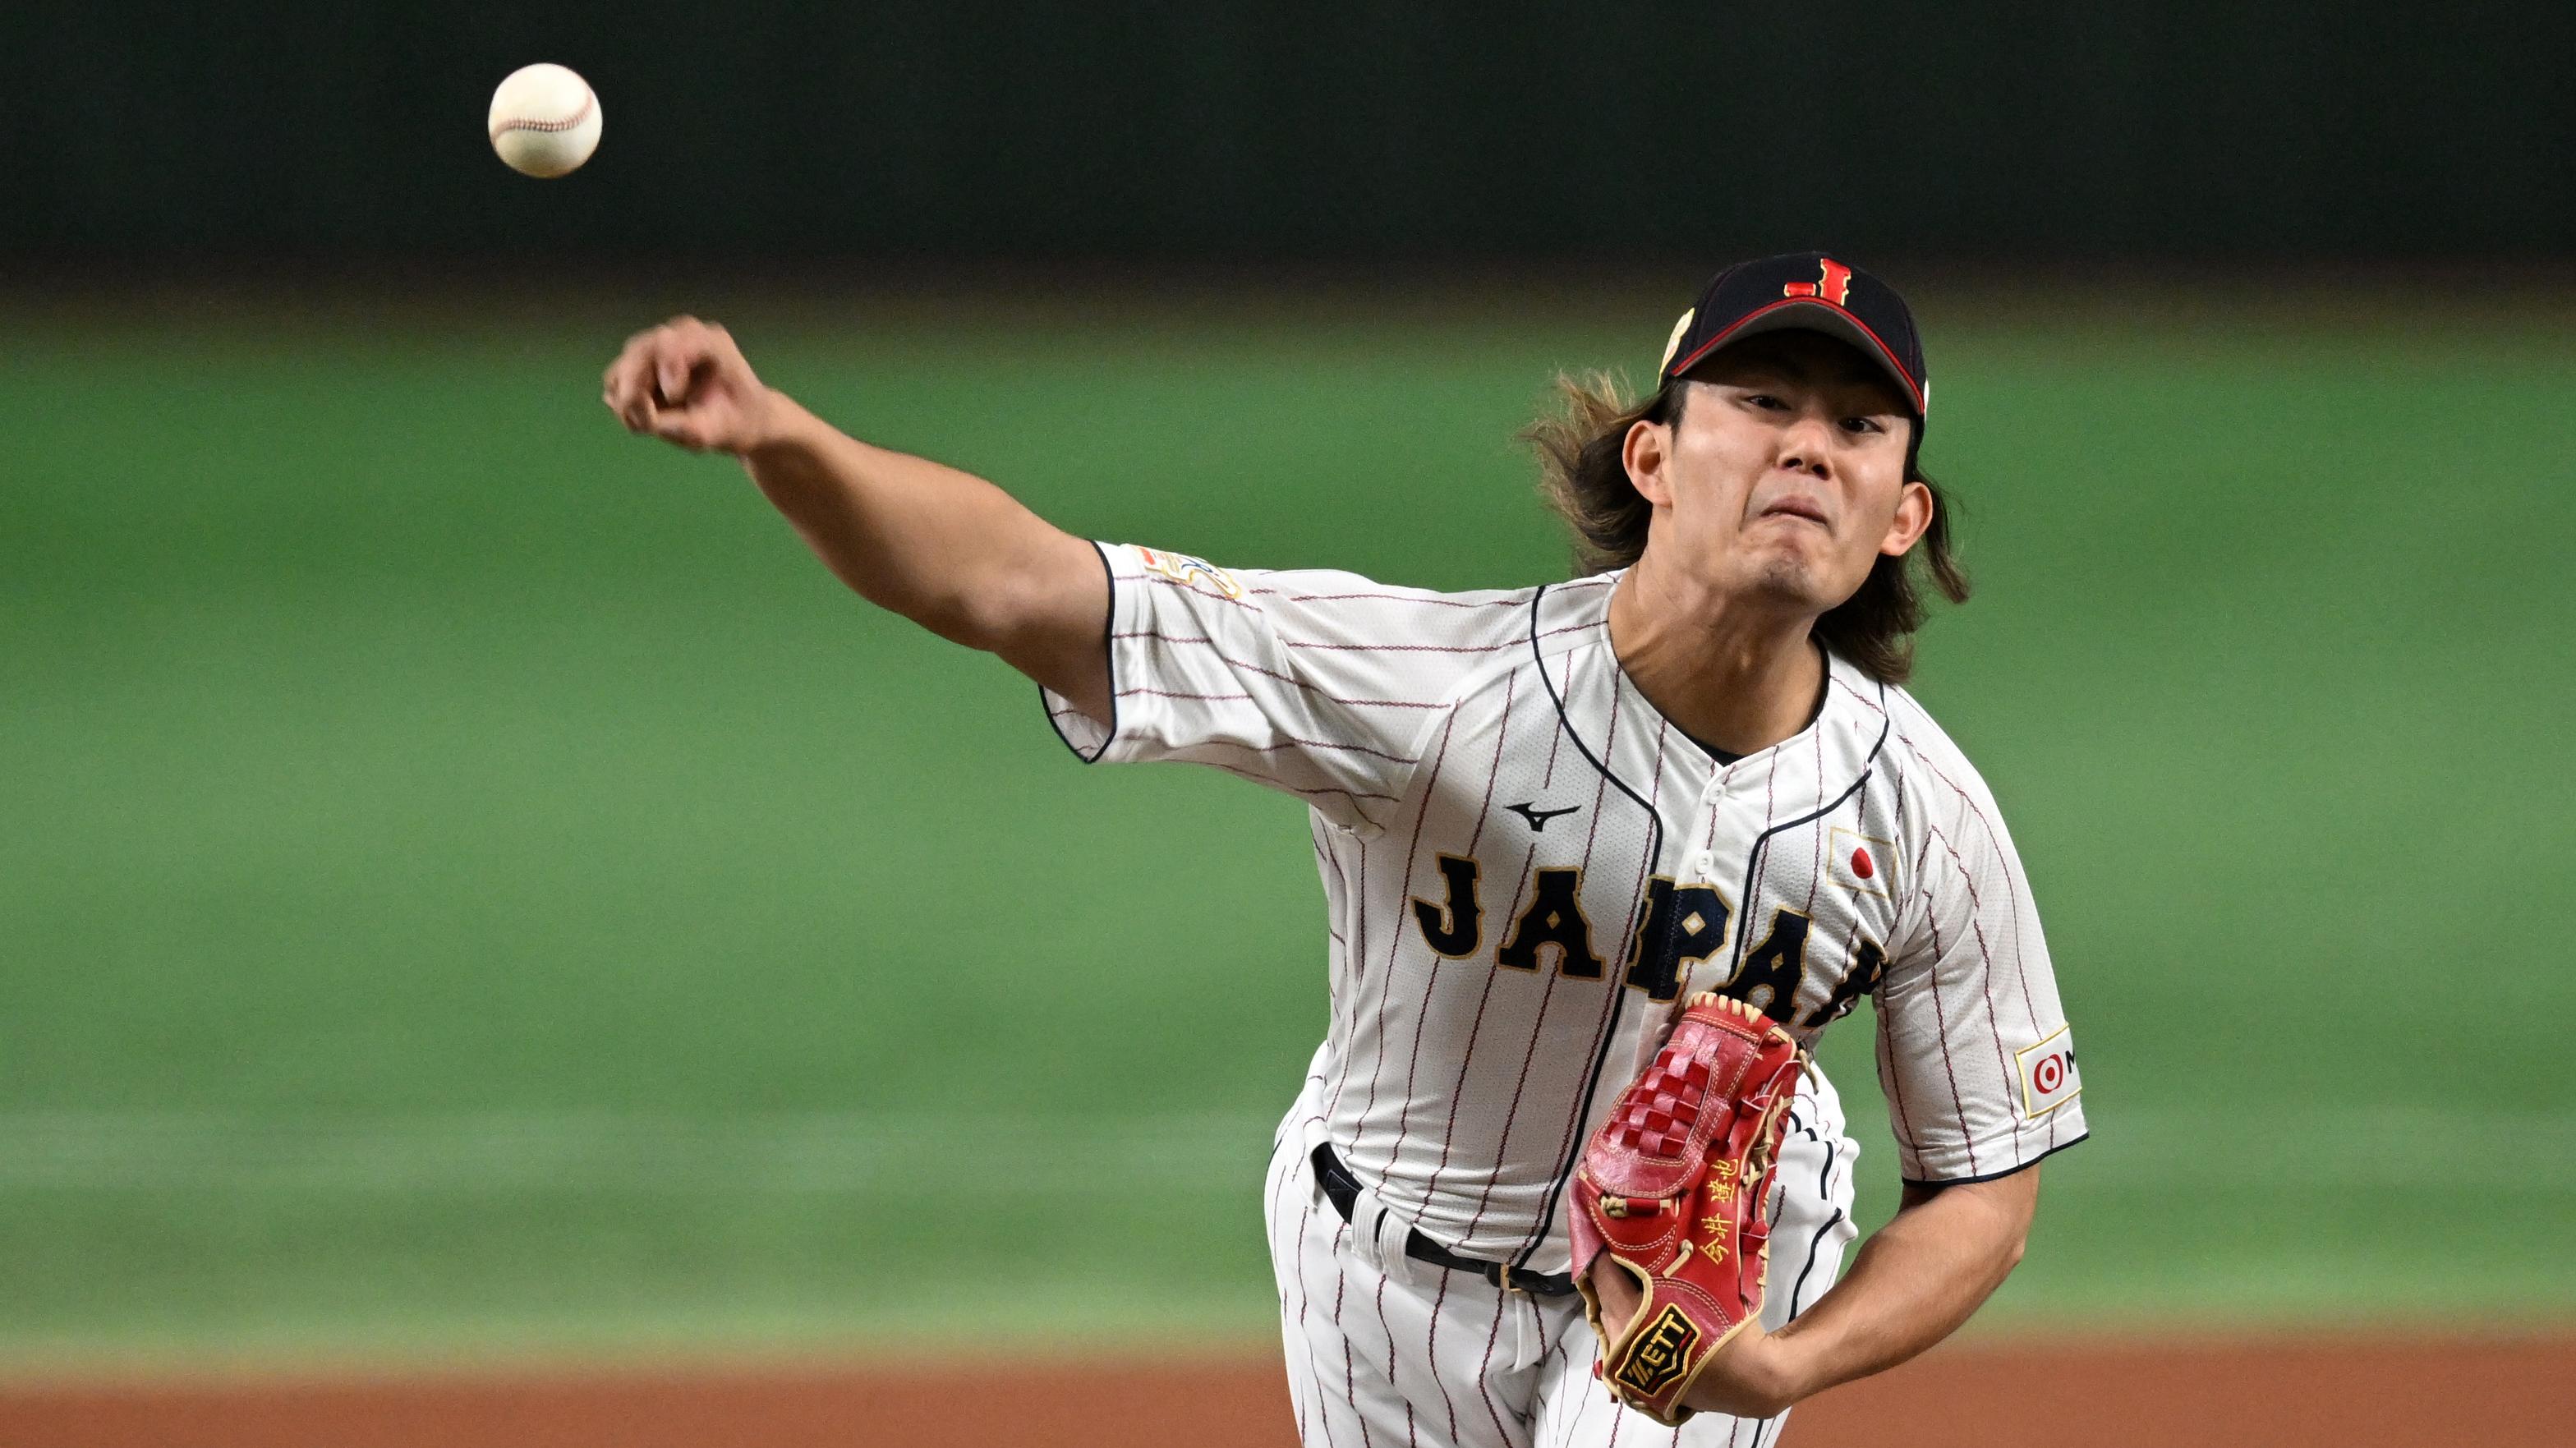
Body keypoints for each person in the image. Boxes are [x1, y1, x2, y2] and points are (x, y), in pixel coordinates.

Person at [600, 252, 2087, 1446]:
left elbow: (1983, 1188)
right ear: (1653, 456)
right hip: (1381, 1274)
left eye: (1858, 427)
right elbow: (1017, 588)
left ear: (1903, 515)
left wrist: (1790, 1363)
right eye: (1761, 403)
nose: (1808, 447)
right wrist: (784, 438)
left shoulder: (1926, 818)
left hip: (1698, 1285)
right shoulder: (1433, 692)